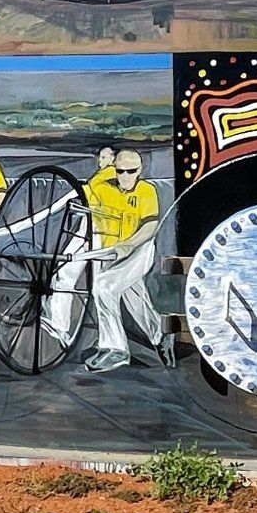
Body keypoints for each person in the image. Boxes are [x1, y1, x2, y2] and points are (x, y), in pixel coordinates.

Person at [77, 149, 170, 372]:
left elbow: (150, 226)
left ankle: (115, 350)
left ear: (139, 170)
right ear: (114, 169)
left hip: (138, 249)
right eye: (121, 171)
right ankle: (160, 335)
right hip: (112, 250)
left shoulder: (146, 191)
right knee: (134, 296)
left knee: (104, 287)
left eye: (132, 171)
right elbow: (79, 197)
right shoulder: (102, 187)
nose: (126, 176)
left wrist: (129, 245)